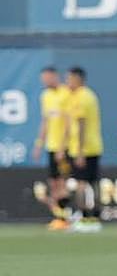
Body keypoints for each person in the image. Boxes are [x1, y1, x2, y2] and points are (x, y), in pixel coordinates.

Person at [32, 66, 73, 230]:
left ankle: (68, 216)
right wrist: (39, 144)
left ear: (55, 76)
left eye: (47, 78)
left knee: (63, 183)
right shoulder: (45, 96)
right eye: (43, 78)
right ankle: (60, 217)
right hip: (51, 145)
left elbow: (69, 123)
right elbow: (45, 122)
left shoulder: (66, 94)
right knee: (54, 183)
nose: (45, 81)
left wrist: (63, 147)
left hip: (65, 147)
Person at [65, 67, 104, 233]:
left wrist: (79, 151)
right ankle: (95, 217)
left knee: (81, 184)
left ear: (77, 79)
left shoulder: (80, 97)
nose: (67, 82)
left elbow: (81, 124)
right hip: (94, 146)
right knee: (93, 183)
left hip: (83, 148)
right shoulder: (90, 95)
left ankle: (83, 217)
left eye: (69, 79)